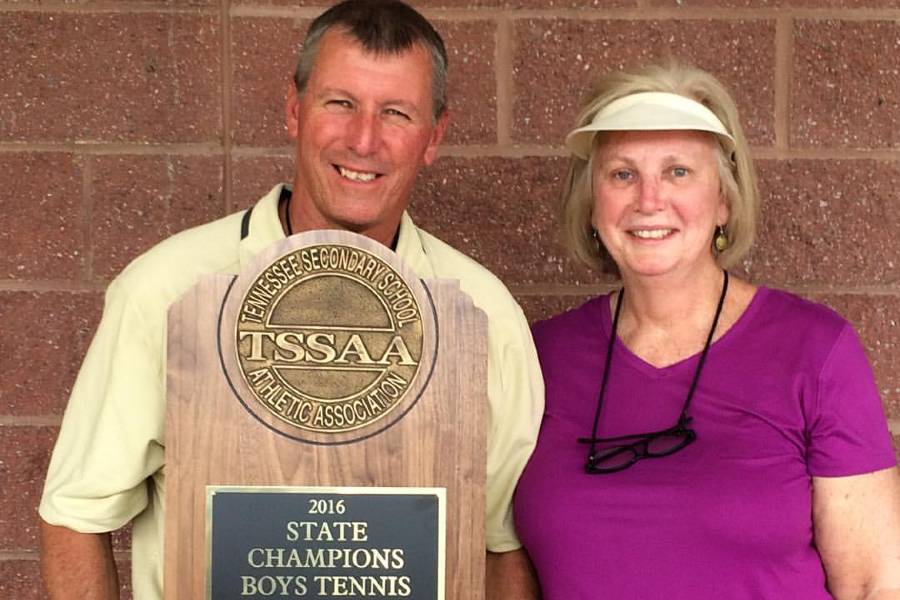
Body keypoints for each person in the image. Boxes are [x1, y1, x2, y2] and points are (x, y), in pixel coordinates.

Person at [38, 2, 543, 598]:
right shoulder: (165, 291)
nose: (364, 139)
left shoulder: (482, 316)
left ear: (434, 136)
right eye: (341, 103)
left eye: (397, 113)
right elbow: (76, 514)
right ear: (293, 110)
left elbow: (502, 545)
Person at [513, 63, 900, 599]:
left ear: (723, 200)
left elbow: (872, 584)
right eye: (622, 173)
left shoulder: (815, 351)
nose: (649, 200)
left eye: (678, 172)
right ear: (592, 204)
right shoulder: (536, 357)